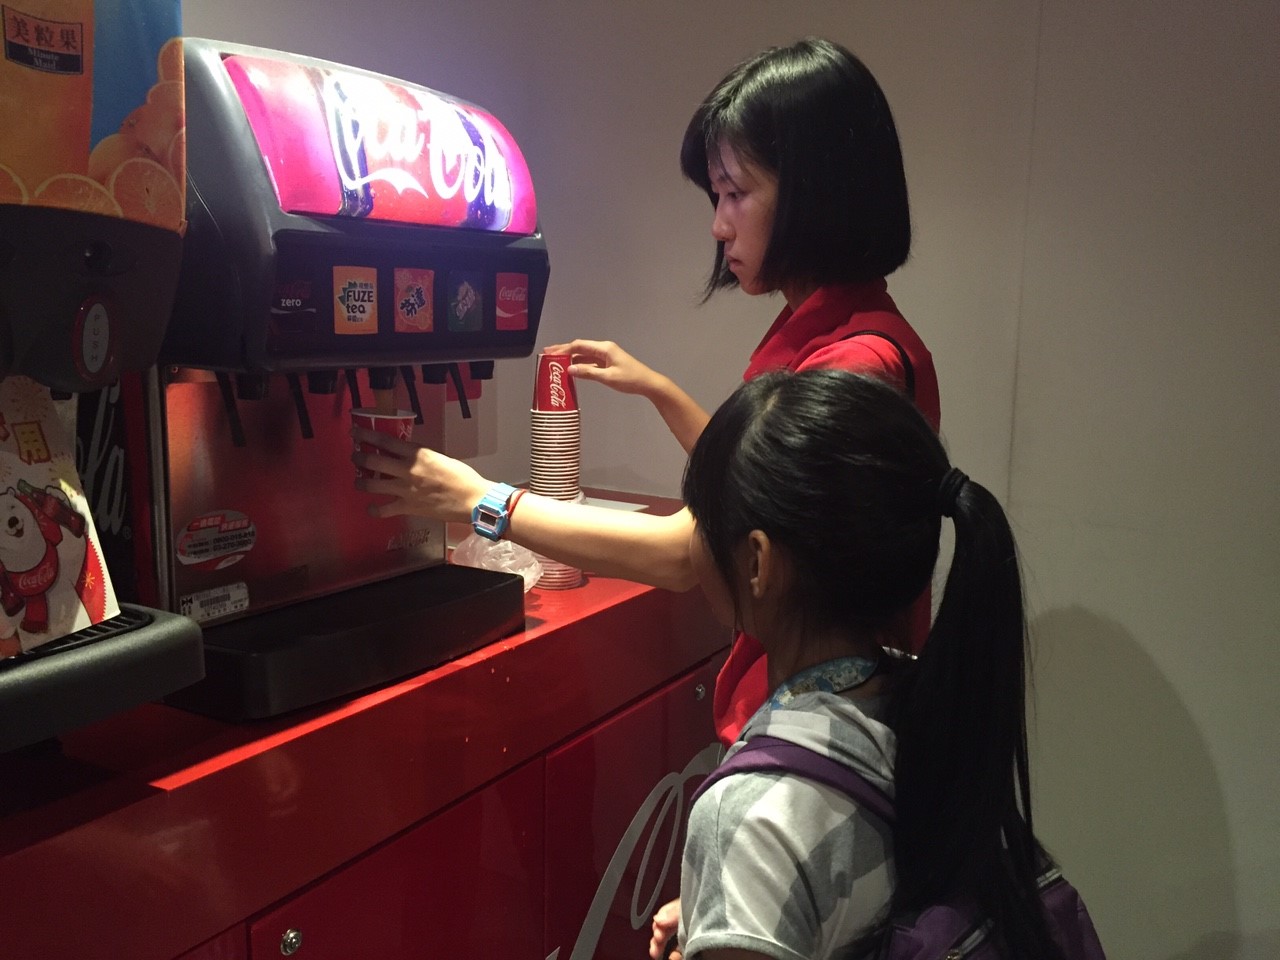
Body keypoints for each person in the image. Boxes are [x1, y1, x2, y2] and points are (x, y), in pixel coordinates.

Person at [353, 37, 938, 949]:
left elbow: (688, 553)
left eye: (735, 193)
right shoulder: (850, 331)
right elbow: (778, 493)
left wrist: (482, 500)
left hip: (807, 745)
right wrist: (661, 391)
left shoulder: (855, 364)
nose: (719, 225)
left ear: (815, 190)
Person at [657, 367, 1060, 960]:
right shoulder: (932, 705)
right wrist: (728, 906)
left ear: (757, 563)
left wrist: (734, 872)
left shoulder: (749, 819)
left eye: (699, 516)